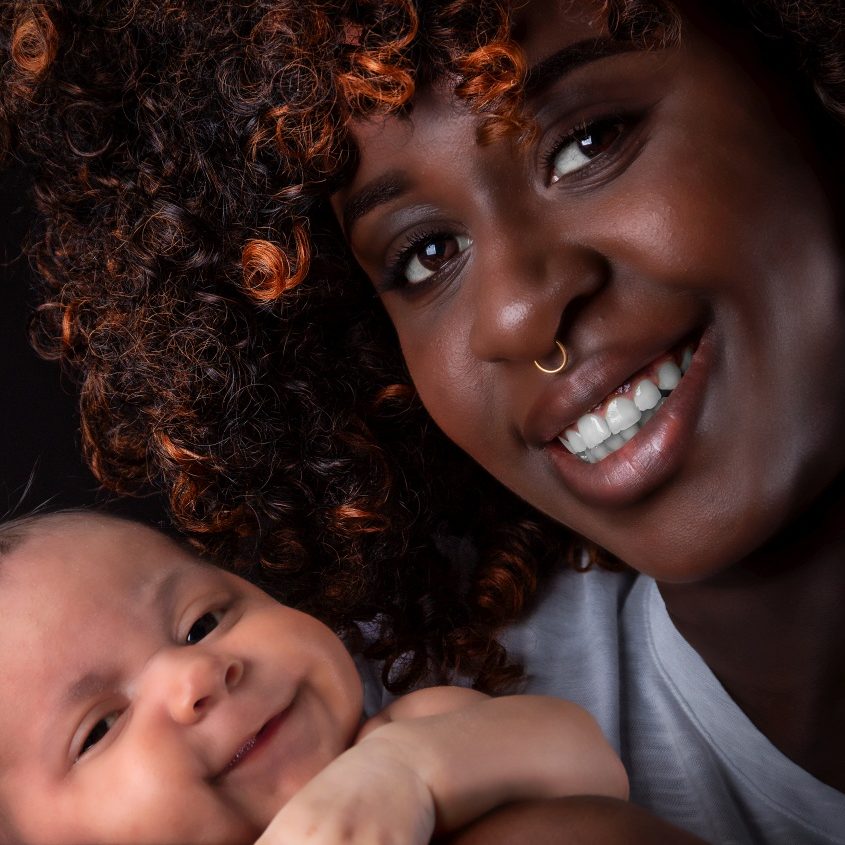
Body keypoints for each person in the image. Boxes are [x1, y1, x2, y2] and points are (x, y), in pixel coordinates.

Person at [2, 0, 844, 842]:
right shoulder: (410, 681)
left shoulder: (418, 748)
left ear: (800, 60)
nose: (517, 312)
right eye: (426, 254)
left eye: (589, 142)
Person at [0, 509, 631, 845]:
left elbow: (583, 754)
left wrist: (404, 773)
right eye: (101, 726)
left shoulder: (409, 729)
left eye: (203, 622)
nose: (197, 674)